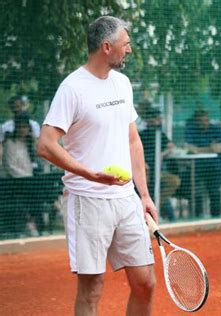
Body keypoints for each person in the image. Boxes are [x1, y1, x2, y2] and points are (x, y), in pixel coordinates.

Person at [36, 16, 156, 315]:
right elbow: (46, 144)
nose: (128, 50)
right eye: (125, 44)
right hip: (87, 200)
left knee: (145, 283)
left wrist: (144, 195)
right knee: (92, 288)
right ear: (106, 47)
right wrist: (88, 172)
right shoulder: (73, 88)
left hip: (126, 199)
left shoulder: (123, 83)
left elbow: (132, 141)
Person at [139, 101, 181, 222]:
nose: (158, 121)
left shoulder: (160, 134)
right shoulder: (143, 134)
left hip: (158, 172)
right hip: (145, 173)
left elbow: (170, 146)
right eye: (155, 119)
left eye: (158, 119)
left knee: (174, 181)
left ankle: (155, 206)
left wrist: (161, 155)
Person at [184, 108, 221, 217]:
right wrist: (210, 148)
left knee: (214, 191)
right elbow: (189, 148)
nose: (203, 123)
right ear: (195, 121)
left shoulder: (217, 129)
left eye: (205, 120)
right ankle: (197, 215)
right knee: (196, 190)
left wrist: (199, 149)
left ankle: (216, 216)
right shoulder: (191, 129)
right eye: (200, 121)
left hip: (216, 166)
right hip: (198, 166)